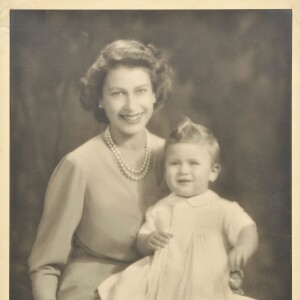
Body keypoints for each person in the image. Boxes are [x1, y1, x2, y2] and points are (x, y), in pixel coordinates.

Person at [27, 39, 173, 300]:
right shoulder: (79, 165)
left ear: (154, 93)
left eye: (140, 91)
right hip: (93, 291)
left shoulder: (173, 156)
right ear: (100, 100)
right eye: (117, 93)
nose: (131, 106)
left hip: (161, 287)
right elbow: (45, 266)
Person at [98, 117, 259, 300]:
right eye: (175, 163)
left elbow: (247, 228)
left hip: (205, 286)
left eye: (193, 163)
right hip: (163, 286)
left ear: (213, 172)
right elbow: (142, 239)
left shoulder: (221, 208)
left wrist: (242, 248)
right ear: (165, 170)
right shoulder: (160, 209)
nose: (183, 170)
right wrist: (148, 240)